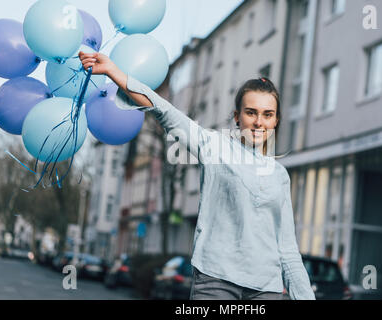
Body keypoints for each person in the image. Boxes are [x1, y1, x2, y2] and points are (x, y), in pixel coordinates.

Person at [79, 51, 315, 300]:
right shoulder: (215, 146)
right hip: (217, 281)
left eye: (267, 114)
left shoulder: (280, 175)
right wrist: (113, 71)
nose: (259, 122)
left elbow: (287, 248)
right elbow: (165, 111)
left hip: (267, 287)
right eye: (251, 112)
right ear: (237, 117)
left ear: (276, 120)